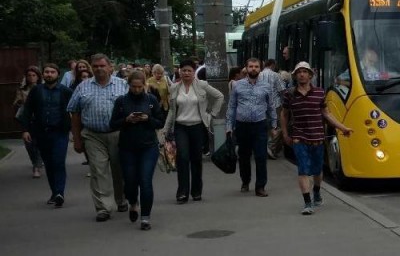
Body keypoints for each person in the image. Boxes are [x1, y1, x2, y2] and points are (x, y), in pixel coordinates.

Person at [281, 61, 353, 215]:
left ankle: (317, 191)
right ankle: (307, 203)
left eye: (305, 72)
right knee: (303, 169)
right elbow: (284, 114)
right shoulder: (289, 94)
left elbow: (326, 113)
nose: (302, 74)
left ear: (310, 75)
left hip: (317, 137)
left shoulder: (320, 93)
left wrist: (343, 128)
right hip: (299, 137)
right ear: (295, 75)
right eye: (299, 72)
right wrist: (285, 133)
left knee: (317, 170)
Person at [68, 53, 129, 222]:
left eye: (102, 66)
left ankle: (121, 199)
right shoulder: (83, 87)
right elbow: (74, 113)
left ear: (110, 67)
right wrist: (77, 138)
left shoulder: (123, 85)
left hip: (118, 134)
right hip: (93, 135)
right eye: (95, 66)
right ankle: (104, 207)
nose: (99, 69)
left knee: (119, 170)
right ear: (91, 68)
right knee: (98, 170)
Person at [162, 59, 224, 204]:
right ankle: (182, 192)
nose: (186, 73)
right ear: (179, 71)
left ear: (193, 72)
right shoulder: (175, 88)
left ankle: (196, 191)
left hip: (197, 126)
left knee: (196, 159)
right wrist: (165, 129)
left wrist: (212, 115)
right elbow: (172, 111)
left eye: (189, 70)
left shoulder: (202, 85)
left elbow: (219, 96)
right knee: (182, 157)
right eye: (183, 70)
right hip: (180, 126)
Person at [109, 70, 164, 231]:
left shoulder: (151, 100)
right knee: (130, 181)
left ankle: (145, 217)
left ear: (145, 85)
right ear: (129, 85)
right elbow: (113, 123)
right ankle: (133, 202)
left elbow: (160, 122)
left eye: (140, 87)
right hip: (127, 147)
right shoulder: (122, 101)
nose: (137, 90)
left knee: (145, 181)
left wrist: (148, 119)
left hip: (148, 146)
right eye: (134, 87)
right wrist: (127, 119)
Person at [19, 63, 73, 208]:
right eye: (47, 72)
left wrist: (74, 130)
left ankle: (60, 193)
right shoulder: (36, 90)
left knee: (58, 161)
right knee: (49, 163)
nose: (49, 74)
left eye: (52, 72)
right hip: (42, 132)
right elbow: (27, 111)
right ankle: (54, 192)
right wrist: (25, 130)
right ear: (43, 75)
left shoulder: (65, 91)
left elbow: (73, 111)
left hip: (60, 132)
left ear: (57, 74)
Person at [225, 57, 277, 197]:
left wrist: (273, 126)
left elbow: (271, 106)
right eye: (251, 66)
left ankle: (260, 186)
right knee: (244, 156)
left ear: (260, 68)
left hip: (260, 125)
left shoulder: (266, 86)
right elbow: (232, 106)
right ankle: (245, 181)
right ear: (246, 68)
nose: (253, 69)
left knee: (261, 156)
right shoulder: (237, 85)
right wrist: (229, 126)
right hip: (242, 126)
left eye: (256, 66)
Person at [13, 65, 44, 178]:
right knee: (29, 144)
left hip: (40, 119)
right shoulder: (22, 89)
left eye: (34, 75)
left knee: (39, 143)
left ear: (38, 76)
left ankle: (37, 166)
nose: (31, 77)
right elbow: (17, 103)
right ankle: (35, 162)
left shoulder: (43, 88)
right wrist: (21, 102)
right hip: (27, 119)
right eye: (29, 75)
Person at [259, 59, 286, 160]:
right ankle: (270, 146)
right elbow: (282, 91)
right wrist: (285, 104)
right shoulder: (276, 75)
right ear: (272, 65)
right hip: (275, 105)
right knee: (278, 127)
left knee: (265, 128)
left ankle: (264, 148)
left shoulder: (259, 75)